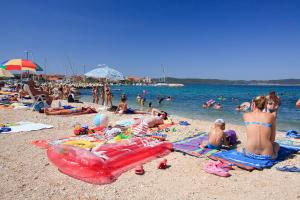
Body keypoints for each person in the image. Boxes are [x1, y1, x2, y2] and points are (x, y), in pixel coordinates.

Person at [242, 96, 279, 160]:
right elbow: (272, 139)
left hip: (249, 153)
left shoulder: (245, 115)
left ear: (253, 104)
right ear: (265, 105)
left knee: (242, 146)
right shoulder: (271, 116)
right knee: (276, 145)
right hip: (267, 154)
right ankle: (274, 153)